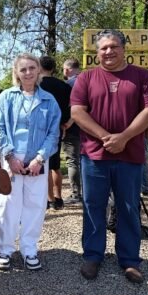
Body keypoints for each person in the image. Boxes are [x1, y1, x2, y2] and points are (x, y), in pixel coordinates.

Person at [71, 29, 148, 284]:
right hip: (94, 155)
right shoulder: (86, 78)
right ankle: (93, 256)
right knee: (93, 206)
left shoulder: (141, 76)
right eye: (103, 48)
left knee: (129, 206)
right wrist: (105, 137)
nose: (109, 51)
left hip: (130, 153)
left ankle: (130, 260)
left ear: (123, 49)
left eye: (114, 46)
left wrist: (124, 137)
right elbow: (77, 112)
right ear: (97, 52)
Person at [0, 53, 61, 271]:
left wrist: (40, 159)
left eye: (32, 68)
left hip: (38, 160)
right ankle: (5, 250)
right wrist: (9, 156)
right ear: (16, 72)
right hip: (11, 159)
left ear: (38, 70)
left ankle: (29, 249)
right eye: (23, 69)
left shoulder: (49, 100)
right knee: (7, 205)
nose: (28, 72)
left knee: (35, 205)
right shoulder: (6, 97)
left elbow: (53, 133)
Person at [39, 55, 72, 210]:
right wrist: (65, 124)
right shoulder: (64, 86)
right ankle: (58, 198)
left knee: (44, 164)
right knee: (56, 165)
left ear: (39, 67)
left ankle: (49, 198)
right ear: (53, 68)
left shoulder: (36, 85)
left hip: (40, 129)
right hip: (58, 127)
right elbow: (71, 107)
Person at [62, 58, 82, 204]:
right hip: (88, 127)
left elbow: (75, 107)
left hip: (73, 128)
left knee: (72, 161)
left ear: (67, 69)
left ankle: (76, 194)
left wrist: (68, 123)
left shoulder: (69, 85)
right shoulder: (86, 81)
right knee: (84, 160)